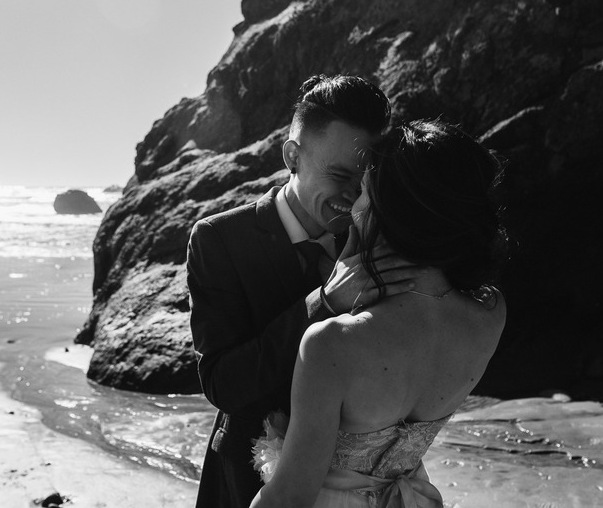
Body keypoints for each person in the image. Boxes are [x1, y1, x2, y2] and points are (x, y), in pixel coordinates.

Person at [187, 75, 436, 508]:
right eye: (340, 175)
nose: (354, 195)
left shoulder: (381, 237)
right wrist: (325, 303)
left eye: (367, 179)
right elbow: (223, 384)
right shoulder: (218, 239)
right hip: (248, 481)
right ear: (292, 156)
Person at [249, 119, 509, 508]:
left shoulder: (332, 345)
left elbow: (289, 496)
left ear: (388, 211)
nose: (354, 205)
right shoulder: (491, 311)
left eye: (364, 193)